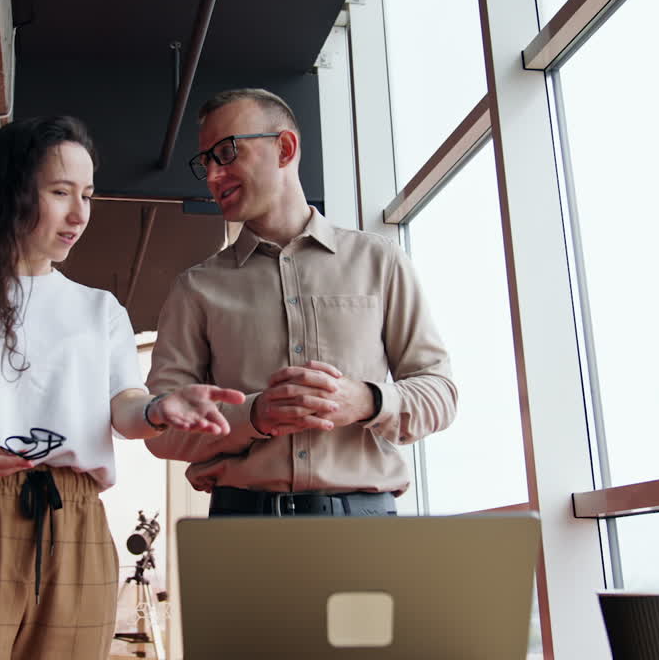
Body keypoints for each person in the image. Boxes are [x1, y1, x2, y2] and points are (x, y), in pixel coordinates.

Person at [0, 116, 244, 660]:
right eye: (60, 193)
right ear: (10, 193)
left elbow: (125, 411)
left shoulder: (99, 309)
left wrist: (160, 408)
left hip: (76, 521)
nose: (79, 214)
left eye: (87, 194)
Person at [144, 88, 457, 517]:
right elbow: (159, 429)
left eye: (227, 152)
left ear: (285, 148)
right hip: (241, 527)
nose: (214, 175)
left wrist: (366, 400)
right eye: (206, 162)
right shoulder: (195, 289)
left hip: (365, 525)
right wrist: (254, 416)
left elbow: (440, 393)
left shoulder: (380, 262)